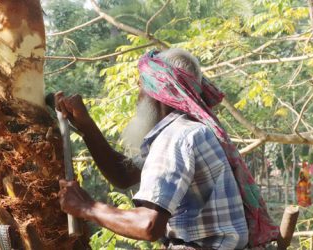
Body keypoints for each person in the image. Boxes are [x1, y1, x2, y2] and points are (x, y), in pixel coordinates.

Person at [56, 49, 278, 249]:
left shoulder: (177, 137)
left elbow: (148, 225)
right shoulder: (189, 131)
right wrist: (85, 124)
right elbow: (123, 175)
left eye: (141, 87)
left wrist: (87, 207)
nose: (138, 97)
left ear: (157, 92)